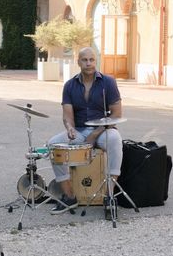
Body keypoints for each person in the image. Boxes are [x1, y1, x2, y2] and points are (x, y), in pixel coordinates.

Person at [47, 47, 123, 214]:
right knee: (54, 144)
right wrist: (70, 129)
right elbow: (67, 116)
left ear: (96, 61)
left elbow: (117, 114)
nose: (89, 63)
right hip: (80, 131)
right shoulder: (69, 85)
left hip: (103, 130)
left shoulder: (108, 82)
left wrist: (96, 133)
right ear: (78, 62)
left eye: (92, 60)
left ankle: (109, 195)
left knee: (115, 140)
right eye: (85, 60)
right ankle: (69, 196)